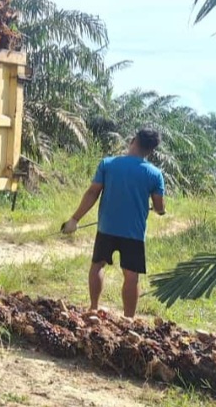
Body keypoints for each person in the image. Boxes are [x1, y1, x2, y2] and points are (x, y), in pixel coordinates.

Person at [61, 128, 166, 318]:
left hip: (107, 228)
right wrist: (159, 210)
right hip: (133, 233)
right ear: (151, 150)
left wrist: (74, 219)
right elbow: (159, 206)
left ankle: (93, 307)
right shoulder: (155, 174)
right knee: (132, 276)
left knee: (98, 265)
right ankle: (128, 319)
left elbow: (92, 193)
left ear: (133, 140)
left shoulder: (108, 164)